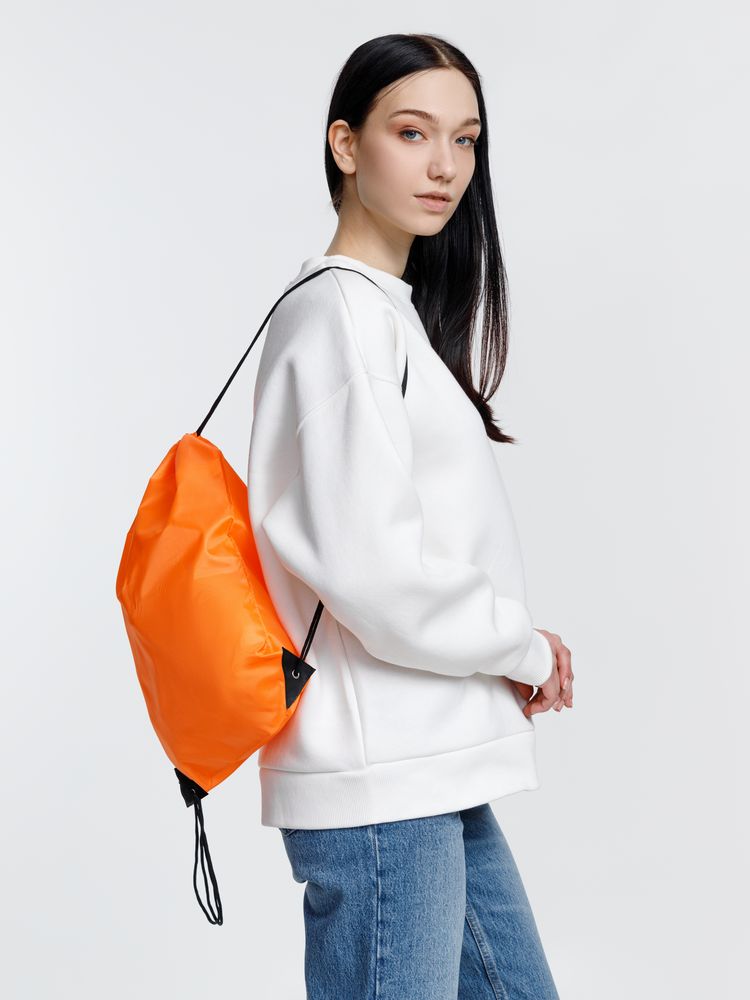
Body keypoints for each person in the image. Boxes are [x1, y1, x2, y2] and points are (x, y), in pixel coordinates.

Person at [247, 31, 573, 1000]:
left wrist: (502, 651)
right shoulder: (339, 316)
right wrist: (520, 647)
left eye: (465, 139)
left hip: (425, 767)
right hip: (382, 782)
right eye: (412, 132)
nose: (445, 166)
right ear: (346, 145)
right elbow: (373, 569)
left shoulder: (385, 314)